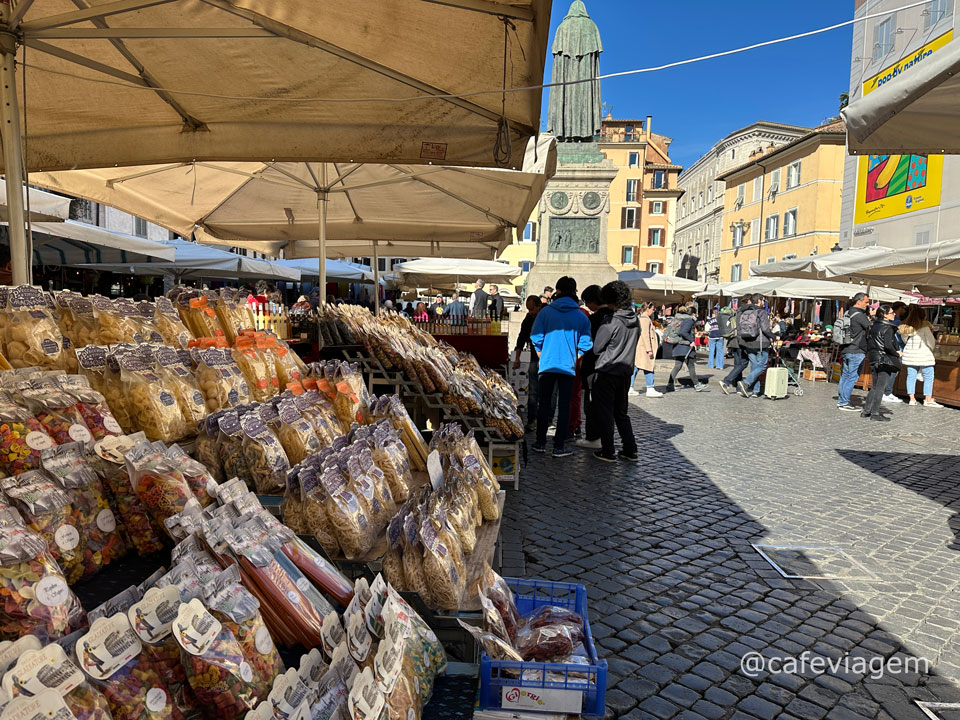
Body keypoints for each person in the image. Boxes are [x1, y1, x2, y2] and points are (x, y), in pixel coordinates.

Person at [530, 276, 593, 458]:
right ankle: (559, 445)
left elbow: (536, 337)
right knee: (564, 405)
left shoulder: (546, 312)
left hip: (548, 365)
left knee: (544, 403)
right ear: (574, 292)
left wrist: (543, 355)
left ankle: (540, 442)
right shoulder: (581, 316)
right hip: (567, 367)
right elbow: (586, 343)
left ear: (557, 291)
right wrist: (575, 358)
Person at [591, 281, 640, 463]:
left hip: (607, 371)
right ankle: (630, 449)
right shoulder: (635, 321)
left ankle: (608, 450)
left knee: (605, 413)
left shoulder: (611, 321)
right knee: (621, 412)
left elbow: (597, 348)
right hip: (626, 371)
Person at [574, 285, 611, 450]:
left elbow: (587, 344)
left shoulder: (594, 320)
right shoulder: (614, 316)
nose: (586, 306)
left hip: (593, 367)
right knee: (607, 404)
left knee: (591, 403)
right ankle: (605, 437)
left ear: (593, 301)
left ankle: (593, 437)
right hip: (611, 367)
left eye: (587, 302)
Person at [861, 304, 902, 421]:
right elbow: (888, 345)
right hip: (884, 359)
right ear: (884, 315)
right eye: (892, 313)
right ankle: (875, 413)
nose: (894, 314)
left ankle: (866, 411)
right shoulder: (888, 328)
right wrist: (897, 353)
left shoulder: (873, 325)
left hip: (874, 358)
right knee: (880, 387)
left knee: (874, 386)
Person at [736, 294, 779, 398]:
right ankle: (746, 382)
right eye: (763, 300)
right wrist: (774, 337)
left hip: (748, 342)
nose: (764, 303)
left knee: (755, 367)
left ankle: (756, 391)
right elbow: (765, 329)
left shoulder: (744, 311)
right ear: (759, 301)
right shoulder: (761, 312)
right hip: (760, 343)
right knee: (762, 366)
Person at [898, 305, 942, 408]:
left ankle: (912, 399)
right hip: (924, 355)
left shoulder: (905, 327)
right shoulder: (925, 327)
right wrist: (930, 350)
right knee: (929, 376)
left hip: (910, 355)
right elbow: (931, 342)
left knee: (911, 376)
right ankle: (927, 399)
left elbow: (904, 341)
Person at [838, 292, 872, 412]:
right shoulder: (860, 316)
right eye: (866, 302)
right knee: (852, 376)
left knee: (846, 375)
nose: (867, 305)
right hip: (857, 350)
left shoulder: (848, 313)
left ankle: (841, 400)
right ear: (859, 301)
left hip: (847, 348)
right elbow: (870, 328)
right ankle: (844, 402)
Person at [513, 296, 543, 431]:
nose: (530, 312)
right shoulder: (529, 318)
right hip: (534, 358)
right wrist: (517, 357)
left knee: (548, 392)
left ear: (539, 306)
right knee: (533, 391)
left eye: (532, 309)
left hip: (547, 358)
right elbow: (522, 336)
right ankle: (532, 420)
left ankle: (547, 420)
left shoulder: (546, 316)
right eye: (529, 309)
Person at [664, 304, 707, 392]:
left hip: (678, 345)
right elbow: (684, 332)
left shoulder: (680, 318)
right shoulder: (689, 320)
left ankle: (670, 384)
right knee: (690, 366)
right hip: (686, 346)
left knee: (678, 366)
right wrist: (692, 341)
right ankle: (697, 385)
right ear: (694, 313)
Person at [631, 302, 663, 398]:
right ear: (648, 309)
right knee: (648, 367)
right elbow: (645, 335)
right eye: (652, 309)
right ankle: (650, 388)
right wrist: (649, 349)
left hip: (642, 348)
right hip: (644, 348)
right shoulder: (645, 319)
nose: (653, 311)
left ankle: (630, 387)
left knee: (638, 367)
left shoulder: (643, 318)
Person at [882, 301, 908, 404]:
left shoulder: (891, 322)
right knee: (893, 371)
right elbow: (898, 338)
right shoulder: (896, 322)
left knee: (891, 371)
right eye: (904, 308)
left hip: (892, 349)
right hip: (896, 350)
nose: (905, 311)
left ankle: (887, 391)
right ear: (900, 309)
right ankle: (887, 392)